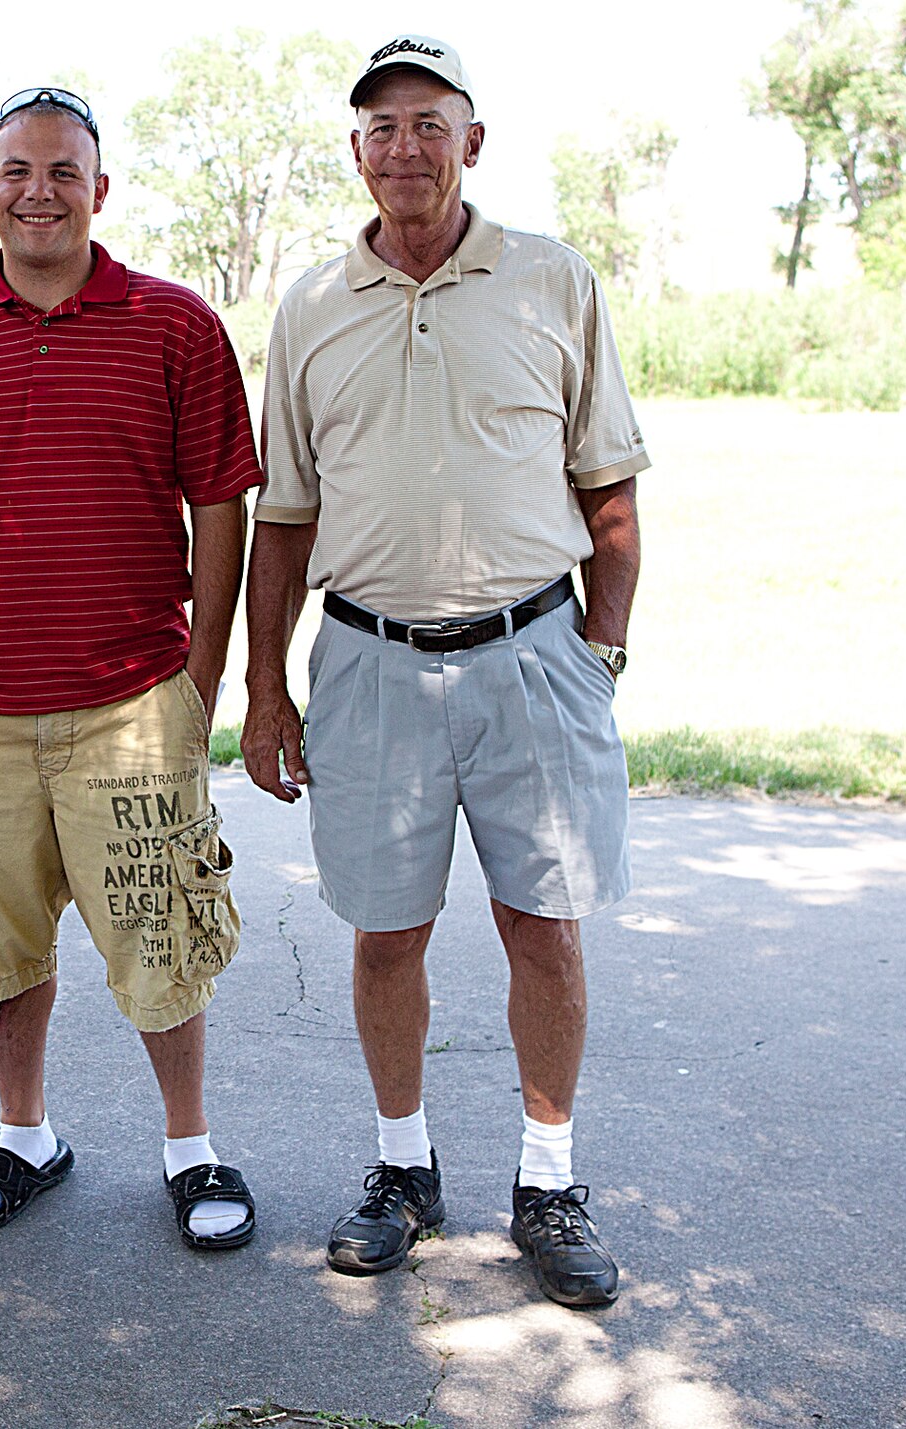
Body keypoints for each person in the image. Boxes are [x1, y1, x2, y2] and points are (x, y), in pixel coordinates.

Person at [242, 36, 647, 1307]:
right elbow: (284, 518)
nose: (403, 146)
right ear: (354, 153)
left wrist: (602, 650)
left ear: (472, 141)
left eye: (429, 122)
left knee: (544, 924)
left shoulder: (550, 279)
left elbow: (609, 485)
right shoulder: (310, 304)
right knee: (382, 933)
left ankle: (546, 1179)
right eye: (380, 128)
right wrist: (265, 687)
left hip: (532, 653)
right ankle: (401, 1169)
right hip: (367, 660)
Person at [0, 87, 265, 1249]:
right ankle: (22, 1131)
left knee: (160, 929)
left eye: (62, 170)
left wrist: (202, 679)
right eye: (16, 171)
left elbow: (219, 505)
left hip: (131, 702)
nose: (38, 191)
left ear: (100, 188)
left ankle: (189, 1147)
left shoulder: (175, 325)